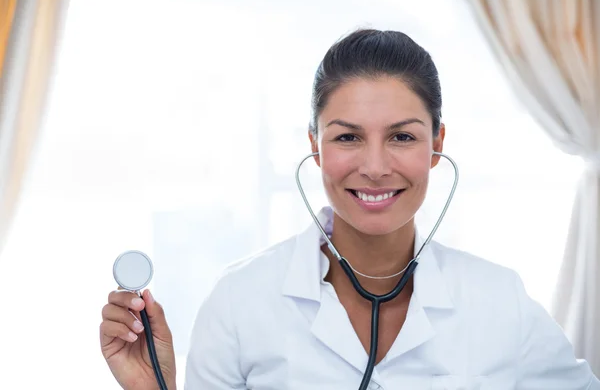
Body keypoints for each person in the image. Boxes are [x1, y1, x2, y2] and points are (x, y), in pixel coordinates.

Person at [99, 28, 600, 389]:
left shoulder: (500, 301)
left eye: (402, 136)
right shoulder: (238, 302)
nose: (376, 166)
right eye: (348, 137)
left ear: (437, 142)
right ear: (315, 146)